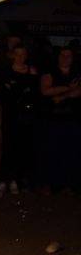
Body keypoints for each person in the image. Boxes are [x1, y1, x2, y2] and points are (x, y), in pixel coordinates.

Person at [0, 44, 39, 196]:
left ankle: (16, 179)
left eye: (23, 54)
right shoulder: (5, 72)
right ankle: (4, 180)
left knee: (22, 147)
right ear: (13, 55)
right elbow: (5, 95)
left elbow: (33, 94)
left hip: (25, 115)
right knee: (8, 147)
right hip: (10, 114)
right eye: (18, 54)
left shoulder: (32, 72)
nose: (20, 57)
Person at [37, 47, 81, 194]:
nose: (65, 58)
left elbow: (77, 92)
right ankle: (47, 183)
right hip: (51, 117)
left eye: (68, 56)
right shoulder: (49, 72)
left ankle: (67, 184)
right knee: (50, 151)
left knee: (70, 151)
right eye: (63, 55)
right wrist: (68, 88)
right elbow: (46, 91)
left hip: (72, 118)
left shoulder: (77, 73)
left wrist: (62, 96)